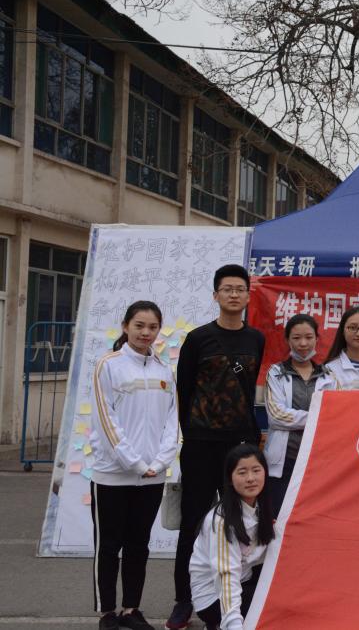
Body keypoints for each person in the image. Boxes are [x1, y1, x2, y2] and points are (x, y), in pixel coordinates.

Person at [169, 265, 264, 629]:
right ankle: (184, 599)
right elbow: (183, 391)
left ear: (248, 295)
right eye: (227, 289)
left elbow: (250, 391)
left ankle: (240, 594)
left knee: (243, 522)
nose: (234, 295)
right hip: (200, 444)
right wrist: (190, 434)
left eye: (240, 289)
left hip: (240, 446)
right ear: (216, 295)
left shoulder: (255, 339)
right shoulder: (198, 339)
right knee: (193, 521)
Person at [90, 301, 179, 630]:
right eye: (139, 325)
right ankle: (107, 612)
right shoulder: (108, 365)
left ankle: (131, 609)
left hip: (151, 477)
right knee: (108, 546)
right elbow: (106, 422)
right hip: (112, 475)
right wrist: (135, 462)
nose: (146, 333)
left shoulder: (163, 370)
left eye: (152, 327)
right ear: (125, 326)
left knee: (139, 545)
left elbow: (172, 422)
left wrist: (159, 462)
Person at [189, 444, 275, 630]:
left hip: (243, 580)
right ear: (230, 478)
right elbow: (226, 576)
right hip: (214, 597)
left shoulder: (262, 508)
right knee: (274, 606)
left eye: (256, 470)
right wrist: (234, 624)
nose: (250, 478)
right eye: (242, 472)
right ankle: (218, 624)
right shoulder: (222, 520)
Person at [264, 314, 338, 518]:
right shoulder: (276, 372)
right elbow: (276, 415)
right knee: (278, 519)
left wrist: (321, 418)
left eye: (308, 337)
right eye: (296, 338)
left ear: (317, 339)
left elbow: (335, 415)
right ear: (287, 340)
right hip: (284, 463)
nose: (303, 343)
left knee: (312, 521)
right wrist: (318, 418)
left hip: (317, 462)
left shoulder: (329, 376)